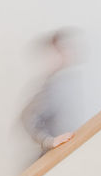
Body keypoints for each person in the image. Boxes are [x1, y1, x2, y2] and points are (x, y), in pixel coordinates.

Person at [21, 28, 85, 156]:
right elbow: (28, 118)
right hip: (61, 154)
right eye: (58, 51)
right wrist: (49, 141)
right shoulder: (52, 86)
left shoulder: (81, 80)